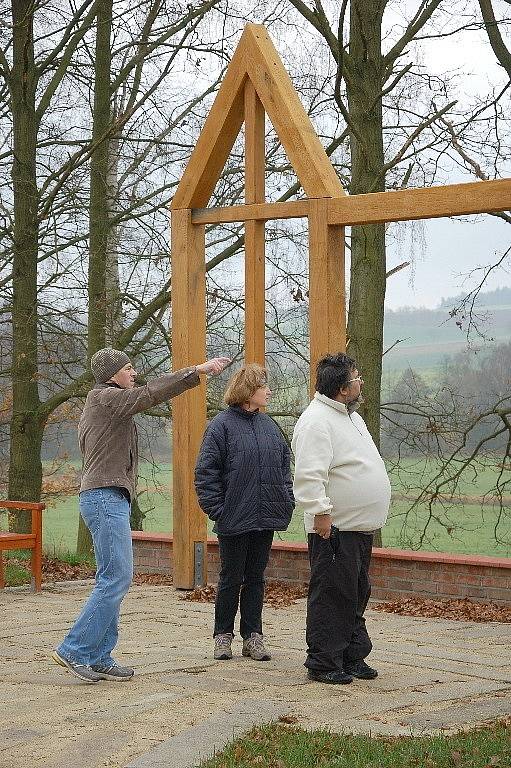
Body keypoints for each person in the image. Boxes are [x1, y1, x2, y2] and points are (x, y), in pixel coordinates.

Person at [52, 348, 230, 683]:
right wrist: (198, 369)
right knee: (116, 578)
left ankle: (100, 656)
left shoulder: (109, 405)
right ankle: (74, 649)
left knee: (113, 578)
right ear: (112, 374)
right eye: (129, 368)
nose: (134, 373)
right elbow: (149, 393)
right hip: (104, 499)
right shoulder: (104, 398)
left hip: (106, 498)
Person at [292, 353, 391, 685]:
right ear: (342, 388)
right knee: (333, 593)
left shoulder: (352, 417)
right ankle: (323, 661)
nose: (361, 381)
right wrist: (320, 511)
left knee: (357, 591)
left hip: (359, 527)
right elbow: (309, 473)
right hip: (334, 527)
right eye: (356, 377)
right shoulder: (316, 420)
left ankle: (351, 655)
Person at [194, 363, 294, 662]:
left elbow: (284, 468)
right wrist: (219, 511)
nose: (269, 391)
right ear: (248, 391)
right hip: (234, 519)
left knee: (256, 577)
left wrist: (285, 499)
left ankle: (254, 637)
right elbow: (205, 473)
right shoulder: (221, 426)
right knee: (230, 578)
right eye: (264, 386)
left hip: (265, 518)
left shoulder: (270, 427)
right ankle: (222, 636)